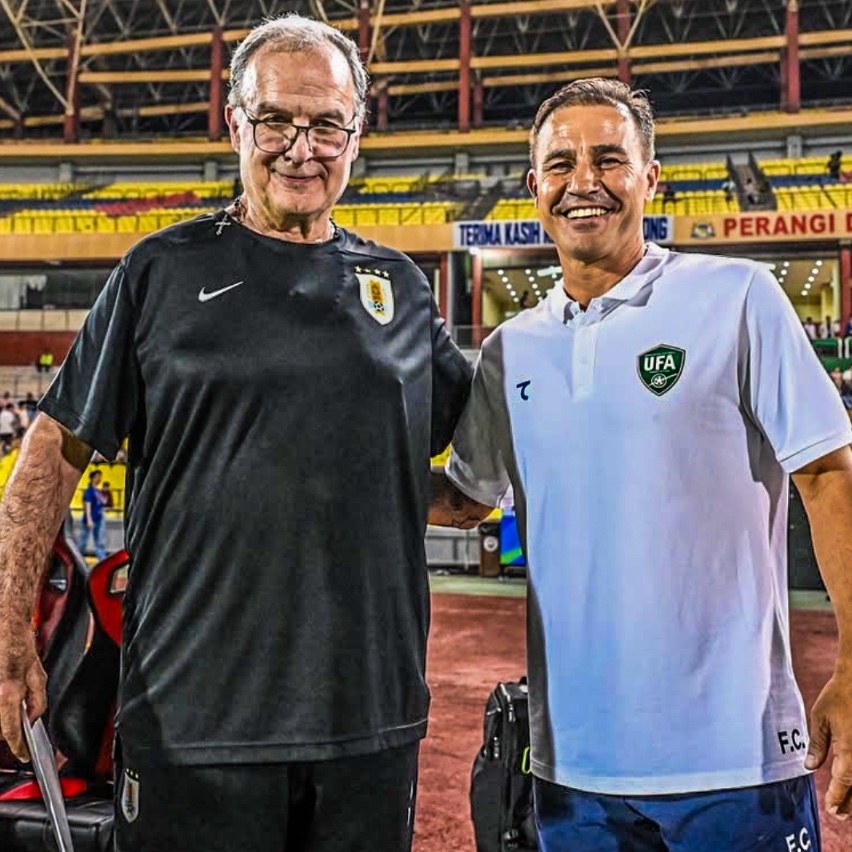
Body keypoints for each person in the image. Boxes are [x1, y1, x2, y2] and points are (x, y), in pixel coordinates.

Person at [0, 14, 471, 852]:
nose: (302, 146)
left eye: (327, 123)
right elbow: (54, 449)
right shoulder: (159, 272)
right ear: (236, 124)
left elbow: (461, 473)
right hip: (193, 720)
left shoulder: (399, 288)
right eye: (277, 121)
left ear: (356, 134)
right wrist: (8, 638)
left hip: (370, 720)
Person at [430, 77, 852, 847]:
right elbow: (462, 499)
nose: (582, 182)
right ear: (533, 189)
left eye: (608, 159)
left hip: (734, 761)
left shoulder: (739, 298)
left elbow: (828, 477)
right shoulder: (510, 348)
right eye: (560, 164)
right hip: (572, 767)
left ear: (650, 178)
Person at [77, 469, 106, 560]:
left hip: (99, 518)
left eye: (99, 477)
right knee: (82, 542)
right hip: (90, 519)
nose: (99, 479)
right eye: (97, 477)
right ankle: (76, 560)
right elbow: (87, 506)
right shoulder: (89, 491)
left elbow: (104, 502)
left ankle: (103, 560)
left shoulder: (97, 491)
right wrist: (89, 519)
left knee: (99, 543)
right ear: (92, 478)